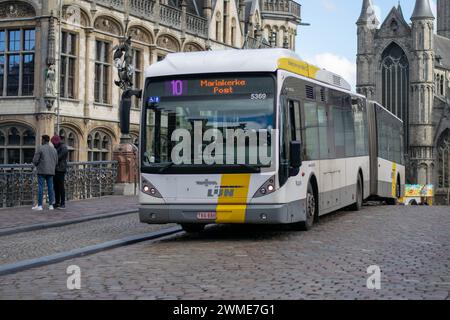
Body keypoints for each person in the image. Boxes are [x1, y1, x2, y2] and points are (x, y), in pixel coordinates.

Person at [32, 135, 58, 211]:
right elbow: (56, 162)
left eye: (41, 139)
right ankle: (51, 205)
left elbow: (35, 160)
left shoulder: (40, 148)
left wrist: (37, 165)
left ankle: (40, 206)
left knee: (40, 187)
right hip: (51, 171)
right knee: (50, 188)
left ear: (43, 140)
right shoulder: (54, 150)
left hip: (42, 171)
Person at [52, 135, 68, 209]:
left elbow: (58, 157)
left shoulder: (63, 147)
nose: (53, 144)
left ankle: (63, 203)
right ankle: (57, 202)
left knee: (61, 187)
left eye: (54, 143)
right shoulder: (57, 147)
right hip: (55, 169)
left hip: (61, 169)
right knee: (56, 187)